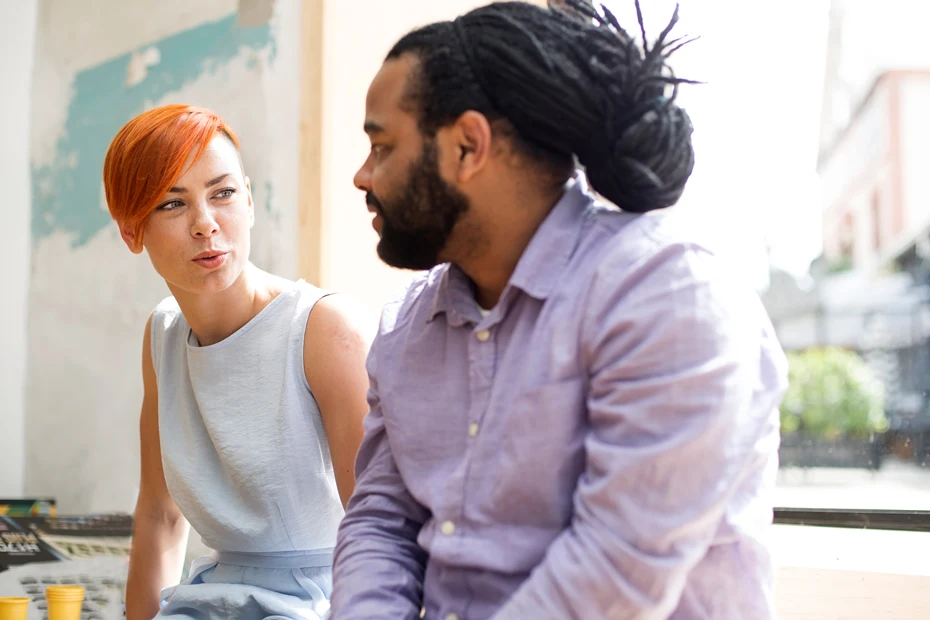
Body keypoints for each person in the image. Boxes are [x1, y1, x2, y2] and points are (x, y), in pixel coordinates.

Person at [330, 2, 788, 619]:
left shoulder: (670, 297)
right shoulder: (406, 327)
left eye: (382, 147)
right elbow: (380, 524)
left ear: (468, 145)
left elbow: (614, 576)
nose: (362, 176)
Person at [103, 104, 372, 620]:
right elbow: (161, 516)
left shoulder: (324, 328)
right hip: (214, 598)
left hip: (328, 600)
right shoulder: (163, 334)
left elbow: (379, 530)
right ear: (131, 230)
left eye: (222, 193)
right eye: (172, 204)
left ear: (248, 200)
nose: (206, 225)